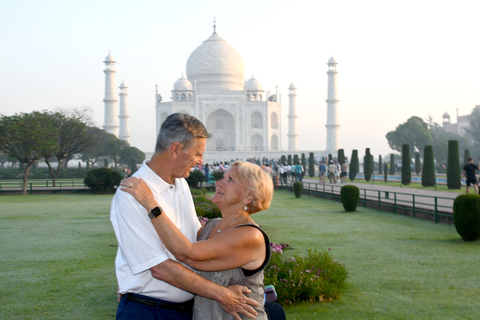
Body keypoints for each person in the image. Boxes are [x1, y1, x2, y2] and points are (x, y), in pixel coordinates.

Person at [110, 113, 258, 320]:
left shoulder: (180, 184)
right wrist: (222, 294)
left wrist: (243, 238)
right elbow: (160, 268)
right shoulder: (131, 194)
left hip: (186, 309)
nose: (201, 161)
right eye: (197, 153)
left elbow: (194, 239)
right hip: (148, 311)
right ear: (176, 149)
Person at [121, 161, 274, 320]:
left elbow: (185, 254)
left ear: (249, 196)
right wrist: (130, 281)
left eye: (230, 180)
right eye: (224, 177)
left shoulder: (250, 236)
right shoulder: (211, 226)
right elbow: (173, 253)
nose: (219, 182)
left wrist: (150, 204)